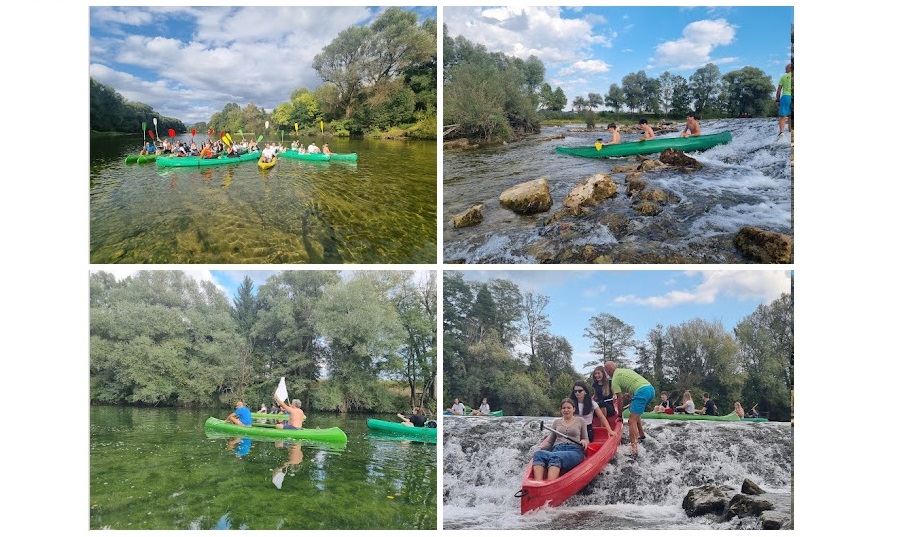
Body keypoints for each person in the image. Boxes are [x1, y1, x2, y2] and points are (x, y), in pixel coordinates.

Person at [530, 398, 589, 481]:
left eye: (569, 408)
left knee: (555, 457)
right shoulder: (556, 422)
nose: (566, 410)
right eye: (564, 408)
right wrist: (540, 448)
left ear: (574, 409)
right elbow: (550, 442)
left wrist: (584, 441)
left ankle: (549, 485)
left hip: (574, 451)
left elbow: (586, 439)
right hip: (557, 449)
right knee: (538, 454)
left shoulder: (580, 421)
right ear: (561, 410)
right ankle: (537, 484)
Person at [604, 361, 654, 455]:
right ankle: (642, 435)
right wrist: (631, 394)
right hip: (650, 389)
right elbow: (636, 382)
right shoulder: (626, 370)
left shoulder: (615, 380)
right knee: (634, 411)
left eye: (606, 372)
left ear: (608, 371)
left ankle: (634, 448)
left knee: (631, 421)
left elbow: (619, 399)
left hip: (642, 391)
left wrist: (619, 415)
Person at [590, 366, 617, 438]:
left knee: (601, 403)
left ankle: (603, 426)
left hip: (609, 407)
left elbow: (615, 393)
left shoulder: (610, 383)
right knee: (593, 405)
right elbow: (595, 396)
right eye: (595, 374)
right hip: (598, 406)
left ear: (603, 373)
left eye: (598, 373)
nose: (597, 375)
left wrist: (615, 396)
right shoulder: (595, 384)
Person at [776, 63, 792, 137]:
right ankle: (790, 131)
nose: (785, 70)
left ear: (789, 68)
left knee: (783, 116)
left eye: (786, 68)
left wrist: (777, 100)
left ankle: (781, 132)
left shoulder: (783, 77)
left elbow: (779, 90)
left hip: (786, 96)